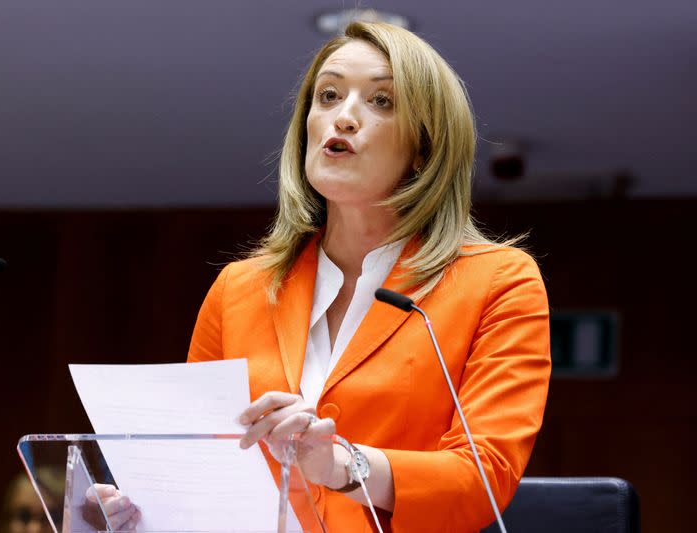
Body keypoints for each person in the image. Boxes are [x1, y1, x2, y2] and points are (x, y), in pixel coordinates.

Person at [186, 20, 551, 533]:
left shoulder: (498, 281)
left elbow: (483, 479)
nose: (344, 117)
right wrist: (138, 510)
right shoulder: (238, 288)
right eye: (328, 95)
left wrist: (342, 465)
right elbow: (198, 464)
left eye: (381, 101)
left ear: (424, 147)